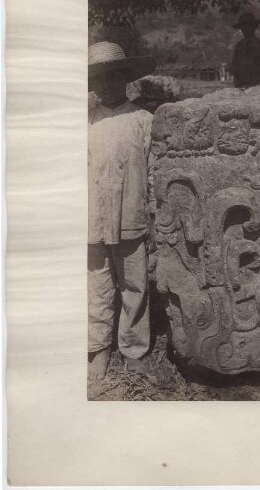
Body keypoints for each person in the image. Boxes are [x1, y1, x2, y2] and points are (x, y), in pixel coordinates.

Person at [87, 41, 157, 381]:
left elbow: (154, 171)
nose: (106, 85)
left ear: (126, 79)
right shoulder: (84, 121)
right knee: (97, 284)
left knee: (134, 284)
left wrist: (154, 216)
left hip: (131, 215)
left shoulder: (143, 120)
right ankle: (99, 349)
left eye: (113, 77)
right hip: (92, 217)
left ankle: (133, 349)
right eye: (98, 78)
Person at [231, 12, 260, 88]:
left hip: (257, 81)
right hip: (242, 82)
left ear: (254, 27)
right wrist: (237, 81)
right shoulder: (239, 46)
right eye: (243, 27)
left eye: (249, 26)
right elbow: (234, 64)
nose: (246, 29)